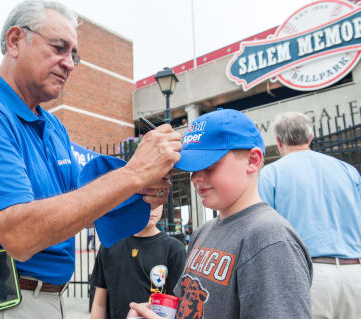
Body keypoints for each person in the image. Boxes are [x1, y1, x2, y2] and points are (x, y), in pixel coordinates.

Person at [0, 1, 182, 318]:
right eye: (59, 48)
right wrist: (134, 173)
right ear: (15, 41)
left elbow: (79, 207)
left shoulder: (53, 128)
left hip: (46, 299)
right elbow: (20, 236)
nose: (70, 64)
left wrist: (143, 192)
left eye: (74, 55)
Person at [127, 108, 313, 319]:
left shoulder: (270, 238)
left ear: (252, 160)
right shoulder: (203, 231)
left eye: (209, 165)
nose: (196, 178)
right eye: (192, 168)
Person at [258, 112, 361, 319]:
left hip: (308, 276)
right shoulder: (348, 170)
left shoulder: (271, 174)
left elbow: (263, 230)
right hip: (355, 273)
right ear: (311, 137)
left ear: (278, 141)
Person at [90, 205, 186, 319]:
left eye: (158, 199)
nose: (152, 206)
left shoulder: (174, 249)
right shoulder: (109, 244)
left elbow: (178, 307)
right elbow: (99, 303)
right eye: (146, 198)